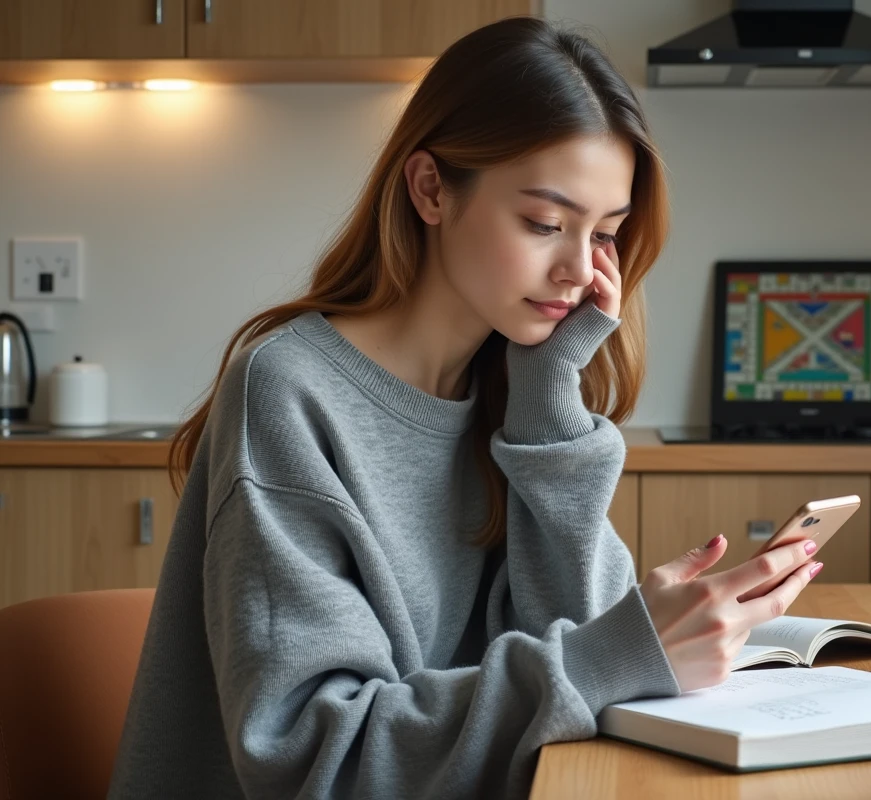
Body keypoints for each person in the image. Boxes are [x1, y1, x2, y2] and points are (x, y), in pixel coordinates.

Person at [108, 15, 823, 800]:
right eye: (546, 223)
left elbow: (590, 663)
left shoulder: (512, 391)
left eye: (605, 234)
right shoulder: (288, 391)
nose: (580, 271)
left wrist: (551, 405)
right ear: (430, 189)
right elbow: (315, 760)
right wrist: (613, 654)